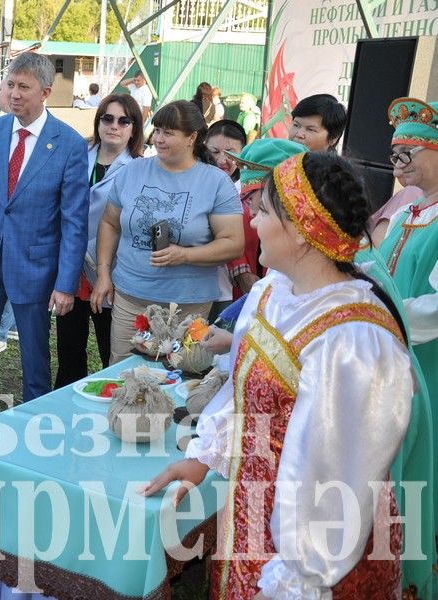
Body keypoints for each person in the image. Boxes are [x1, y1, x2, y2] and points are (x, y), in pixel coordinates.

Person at [145, 151, 413, 598]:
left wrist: (300, 574)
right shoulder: (273, 292)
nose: (252, 222)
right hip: (252, 518)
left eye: (265, 211)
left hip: (317, 557)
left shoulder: (352, 339)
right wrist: (201, 457)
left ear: (304, 233)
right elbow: (241, 395)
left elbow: (336, 480)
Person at [0, 52, 88, 405]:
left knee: (34, 360)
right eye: (10, 85)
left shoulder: (70, 144)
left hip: (34, 268)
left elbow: (74, 222)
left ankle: (35, 426)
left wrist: (65, 284)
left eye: (24, 87)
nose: (14, 94)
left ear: (46, 92)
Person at [91, 100, 243, 364]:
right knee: (124, 373)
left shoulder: (215, 182)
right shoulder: (133, 171)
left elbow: (233, 243)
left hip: (187, 305)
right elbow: (109, 223)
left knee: (179, 375)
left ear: (192, 138)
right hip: (131, 298)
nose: (159, 138)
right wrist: (103, 273)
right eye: (158, 130)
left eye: (168, 133)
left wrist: (183, 255)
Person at [55, 94, 142, 389]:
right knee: (69, 352)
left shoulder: (140, 169)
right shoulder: (77, 154)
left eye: (123, 120)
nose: (114, 126)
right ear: (98, 121)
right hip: (71, 269)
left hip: (113, 275)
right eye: (107, 118)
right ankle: (67, 419)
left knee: (111, 351)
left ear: (134, 127)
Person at [380, 96, 438, 461]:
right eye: (394, 155)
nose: (398, 166)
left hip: (428, 362)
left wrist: (382, 316)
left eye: (408, 153)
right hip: (392, 359)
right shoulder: (405, 216)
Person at [205, 119, 250, 302]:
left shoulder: (249, 192)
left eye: (231, 154)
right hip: (195, 289)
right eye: (214, 152)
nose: (222, 160)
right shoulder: (192, 185)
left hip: (234, 292)